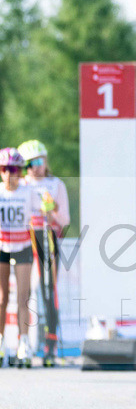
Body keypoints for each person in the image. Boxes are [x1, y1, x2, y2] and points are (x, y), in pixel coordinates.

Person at [19, 140, 70, 365]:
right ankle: (24, 341)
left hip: (47, 237)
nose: (34, 168)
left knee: (48, 290)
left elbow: (65, 220)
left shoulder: (55, 184)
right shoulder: (20, 184)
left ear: (45, 161)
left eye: (38, 162)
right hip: (24, 238)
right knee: (24, 291)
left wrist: (53, 211)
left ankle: (51, 343)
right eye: (28, 164)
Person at [0, 148, 35, 367]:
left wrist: (51, 210)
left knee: (23, 297)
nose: (11, 174)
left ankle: (24, 343)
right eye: (6, 169)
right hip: (2, 246)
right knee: (2, 298)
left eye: (15, 169)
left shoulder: (28, 192)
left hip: (22, 245)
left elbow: (44, 214)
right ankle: (1, 341)